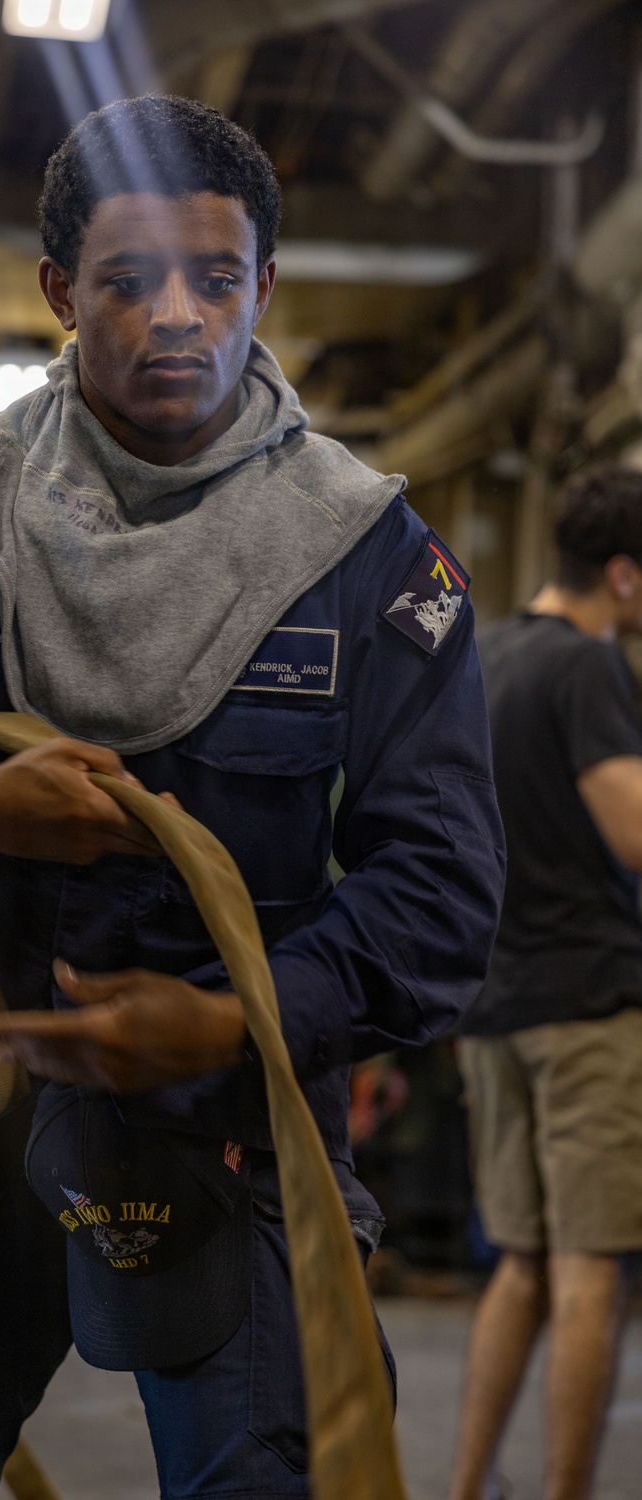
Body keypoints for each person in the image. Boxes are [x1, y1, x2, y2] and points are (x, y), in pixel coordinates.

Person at [0, 96, 505, 1500]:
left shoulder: (367, 555)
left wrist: (239, 1018)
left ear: (266, 285)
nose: (175, 317)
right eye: (126, 283)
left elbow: (443, 899)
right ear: (62, 293)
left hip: (232, 1119)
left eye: (214, 277)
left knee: (267, 1475)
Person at [451, 466, 642, 1500]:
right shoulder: (586, 668)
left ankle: (467, 1483)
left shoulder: (483, 658)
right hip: (584, 1014)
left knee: (518, 1265)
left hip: (492, 1008)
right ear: (619, 575)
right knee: (588, 1274)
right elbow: (631, 829)